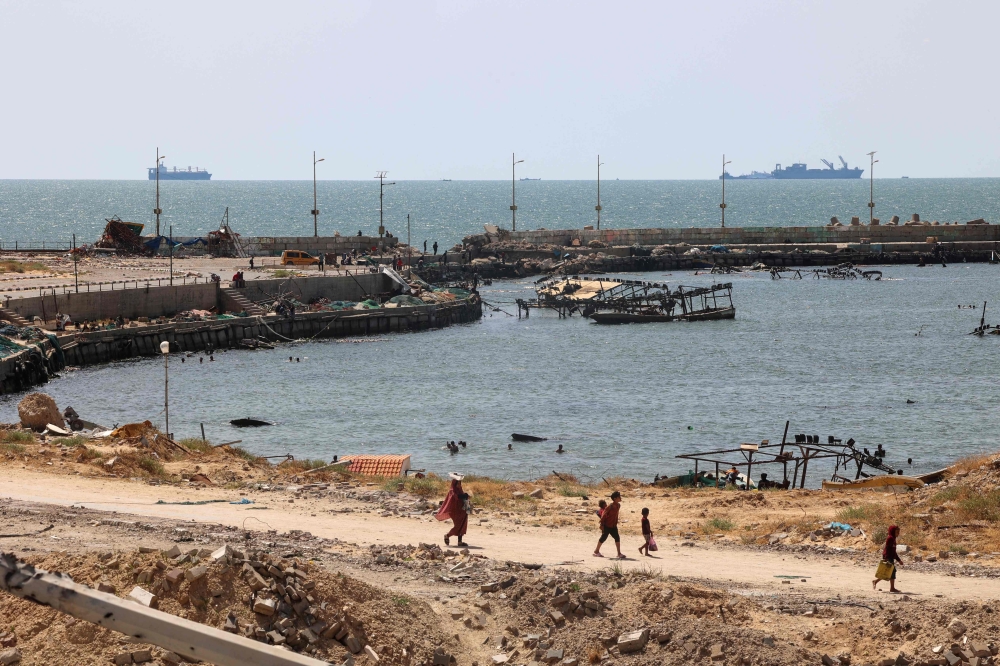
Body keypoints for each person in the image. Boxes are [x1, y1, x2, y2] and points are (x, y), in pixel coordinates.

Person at [436, 473, 469, 547]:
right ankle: (447, 535)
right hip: (455, 511)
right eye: (458, 483)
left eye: (460, 483)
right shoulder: (452, 490)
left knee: (462, 525)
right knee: (457, 526)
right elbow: (455, 497)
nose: (459, 484)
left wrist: (465, 496)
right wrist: (463, 496)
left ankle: (460, 542)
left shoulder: (459, 489)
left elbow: (462, 497)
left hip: (462, 510)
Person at [873, 525, 904, 592]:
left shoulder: (893, 539)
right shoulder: (890, 538)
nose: (898, 534)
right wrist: (886, 558)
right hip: (888, 557)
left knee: (888, 572)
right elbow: (887, 549)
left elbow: (894, 552)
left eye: (898, 532)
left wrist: (899, 560)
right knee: (891, 572)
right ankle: (892, 588)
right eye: (897, 532)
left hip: (891, 557)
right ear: (893, 532)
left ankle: (875, 581)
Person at [594, 491, 624, 559]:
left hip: (613, 526)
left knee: (617, 538)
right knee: (603, 538)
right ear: (615, 498)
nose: (620, 498)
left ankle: (619, 553)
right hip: (607, 525)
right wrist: (601, 524)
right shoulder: (610, 506)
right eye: (619, 497)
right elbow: (603, 515)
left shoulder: (618, 505)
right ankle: (596, 551)